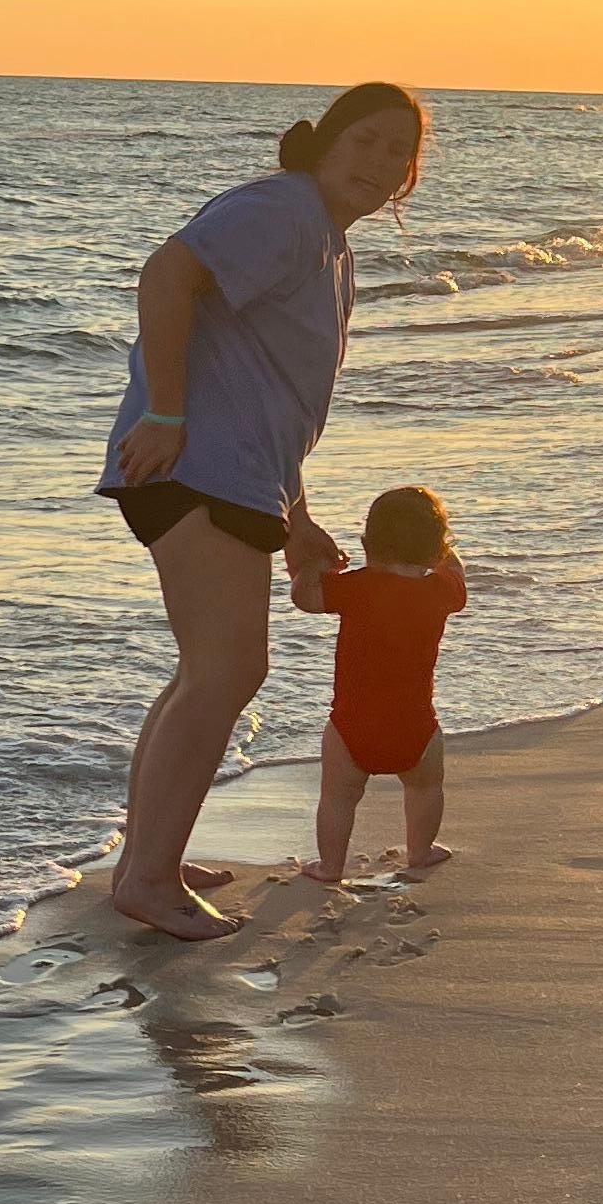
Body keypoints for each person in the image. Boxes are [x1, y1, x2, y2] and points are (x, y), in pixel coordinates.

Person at [100, 82, 427, 940]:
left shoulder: (329, 245)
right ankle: (147, 878)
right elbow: (168, 273)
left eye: (399, 151)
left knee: (205, 670)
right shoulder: (283, 209)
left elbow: (273, 394)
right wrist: (165, 411)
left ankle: (150, 858)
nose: (380, 162)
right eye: (365, 141)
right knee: (227, 669)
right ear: (323, 143)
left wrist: (298, 518)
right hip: (190, 461)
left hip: (239, 474)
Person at [297, 485, 466, 881]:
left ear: (365, 544)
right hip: (417, 727)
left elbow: (304, 597)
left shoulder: (353, 587)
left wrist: (314, 567)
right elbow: (457, 575)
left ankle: (331, 867)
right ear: (434, 550)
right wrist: (443, 552)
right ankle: (420, 852)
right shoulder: (440, 590)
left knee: (338, 799)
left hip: (351, 727)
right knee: (425, 789)